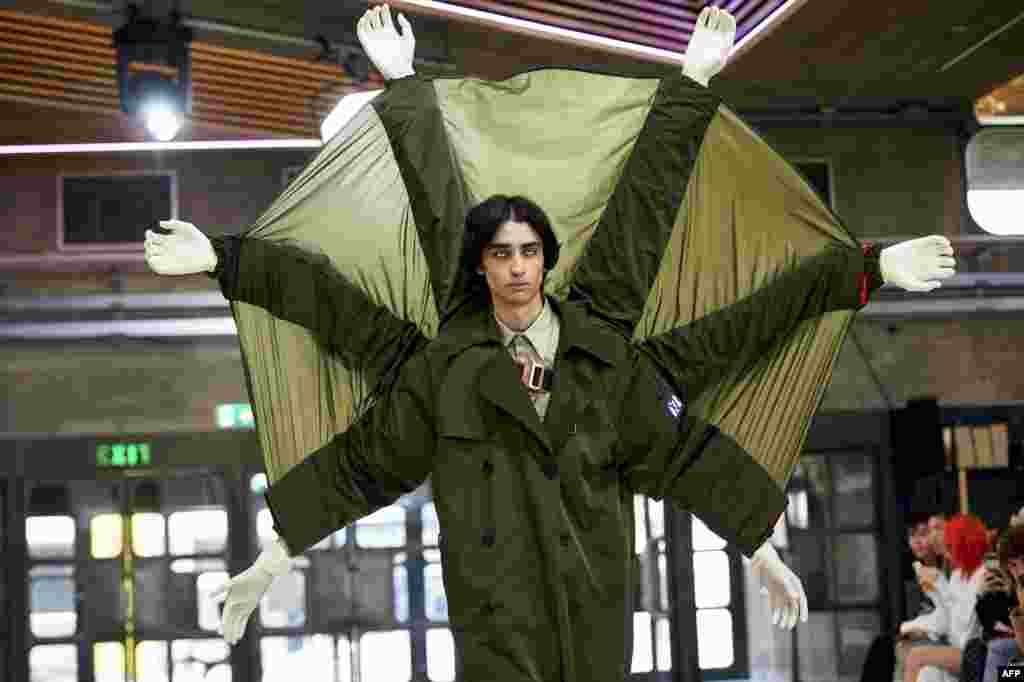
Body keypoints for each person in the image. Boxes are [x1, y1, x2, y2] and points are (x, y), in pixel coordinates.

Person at [143, 6, 957, 681]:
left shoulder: (611, 356)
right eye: (500, 254)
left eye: (530, 253)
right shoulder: (444, 368)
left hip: (593, 625)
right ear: (485, 268)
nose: (517, 270)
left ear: (549, 265)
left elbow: (704, 297)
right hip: (495, 635)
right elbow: (356, 430)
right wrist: (272, 556)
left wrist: (872, 265)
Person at [901, 514, 989, 682]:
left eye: (950, 547)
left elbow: (966, 628)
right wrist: (935, 591)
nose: (947, 554)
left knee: (915, 656)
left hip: (975, 653)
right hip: (956, 647)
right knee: (928, 672)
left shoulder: (982, 574)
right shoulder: (957, 575)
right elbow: (949, 622)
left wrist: (940, 584)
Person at [860, 512, 946, 682]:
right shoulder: (913, 576)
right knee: (883, 645)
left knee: (892, 648)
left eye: (923, 534)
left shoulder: (946, 570)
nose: (917, 541)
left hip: (936, 634)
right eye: (912, 536)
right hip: (921, 631)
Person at [979, 521, 1024, 682]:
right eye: (1013, 565)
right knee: (998, 653)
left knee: (1008, 674)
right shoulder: (1019, 588)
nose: (1021, 571)